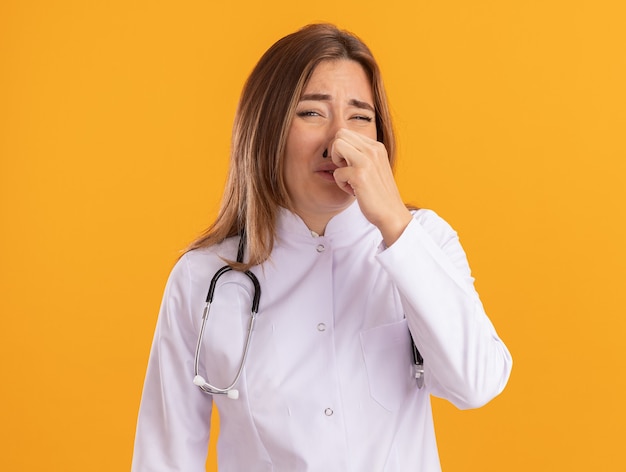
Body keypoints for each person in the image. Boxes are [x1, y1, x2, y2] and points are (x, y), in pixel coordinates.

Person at [132, 23, 512, 471]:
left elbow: (476, 384)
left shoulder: (423, 241)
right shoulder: (203, 279)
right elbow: (164, 457)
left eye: (360, 117)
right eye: (311, 113)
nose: (338, 142)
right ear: (267, 128)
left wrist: (394, 223)